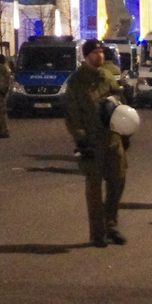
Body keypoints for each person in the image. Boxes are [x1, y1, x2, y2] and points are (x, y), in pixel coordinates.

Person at [64, 39, 126, 247]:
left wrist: (125, 133)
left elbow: (120, 105)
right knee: (94, 190)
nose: (100, 55)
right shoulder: (77, 81)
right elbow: (72, 115)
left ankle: (112, 226)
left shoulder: (107, 77)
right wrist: (81, 141)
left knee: (118, 182)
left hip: (113, 139)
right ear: (86, 55)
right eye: (95, 52)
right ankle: (98, 233)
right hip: (92, 142)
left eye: (101, 52)